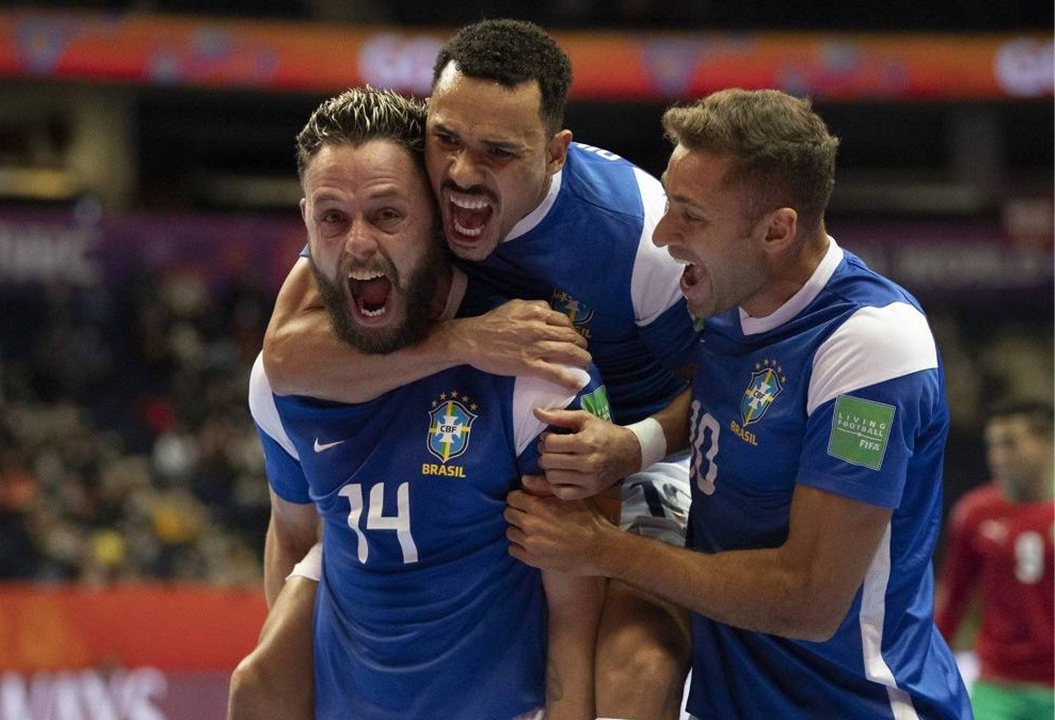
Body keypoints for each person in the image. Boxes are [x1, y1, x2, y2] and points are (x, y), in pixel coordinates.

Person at [254, 19, 698, 720]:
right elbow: (283, 357)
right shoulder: (402, 192)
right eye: (449, 139)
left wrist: (632, 444)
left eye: (497, 152)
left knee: (635, 669)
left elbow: (725, 389)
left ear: (554, 154)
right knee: (260, 680)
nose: (462, 172)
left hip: (643, 451)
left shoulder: (637, 231)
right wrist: (466, 341)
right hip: (502, 430)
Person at [504, 88, 974, 719]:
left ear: (776, 230)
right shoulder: (731, 302)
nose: (665, 234)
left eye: (690, 216)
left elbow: (807, 600)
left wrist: (602, 549)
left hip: (857, 705)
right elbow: (723, 401)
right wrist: (634, 443)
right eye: (669, 205)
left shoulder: (871, 345)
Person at [237, 86, 605, 720]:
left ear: (435, 218)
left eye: (386, 215)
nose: (356, 244)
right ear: (305, 222)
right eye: (332, 217)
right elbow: (295, 539)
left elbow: (576, 614)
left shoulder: (533, 366)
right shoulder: (281, 381)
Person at [936, 400, 1054, 720]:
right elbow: (953, 599)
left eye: (1011, 443)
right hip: (998, 684)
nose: (998, 456)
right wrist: (930, 667)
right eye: (993, 445)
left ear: (1046, 443)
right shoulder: (974, 513)